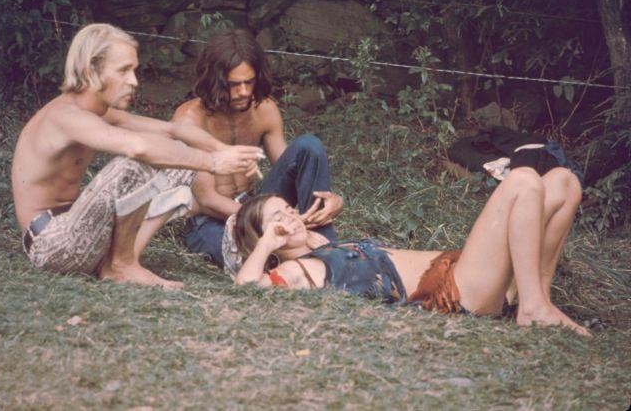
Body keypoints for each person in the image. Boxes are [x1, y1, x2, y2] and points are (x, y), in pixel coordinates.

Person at [11, 23, 263, 290]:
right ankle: (121, 266)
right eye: (123, 71)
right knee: (139, 160)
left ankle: (123, 262)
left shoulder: (99, 112)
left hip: (85, 234)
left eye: (134, 70)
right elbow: (138, 148)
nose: (134, 81)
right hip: (51, 245)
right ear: (91, 70)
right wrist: (212, 163)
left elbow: (174, 130)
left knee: (178, 156)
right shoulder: (65, 116)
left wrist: (220, 150)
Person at [232, 167, 591, 336]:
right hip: (452, 291)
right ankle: (533, 309)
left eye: (288, 208)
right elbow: (247, 289)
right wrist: (266, 245)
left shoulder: (328, 246)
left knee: (563, 181)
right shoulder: (302, 271)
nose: (290, 217)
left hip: (463, 268)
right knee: (523, 180)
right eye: (277, 218)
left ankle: (536, 297)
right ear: (265, 241)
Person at [166, 29, 343, 268]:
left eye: (249, 82)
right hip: (212, 220)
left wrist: (333, 202)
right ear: (213, 81)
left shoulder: (264, 109)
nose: (244, 92)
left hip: (257, 205)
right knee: (261, 259)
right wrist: (268, 223)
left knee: (309, 146)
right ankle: (308, 256)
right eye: (233, 84)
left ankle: (329, 250)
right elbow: (208, 200)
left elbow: (290, 168)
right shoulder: (190, 120)